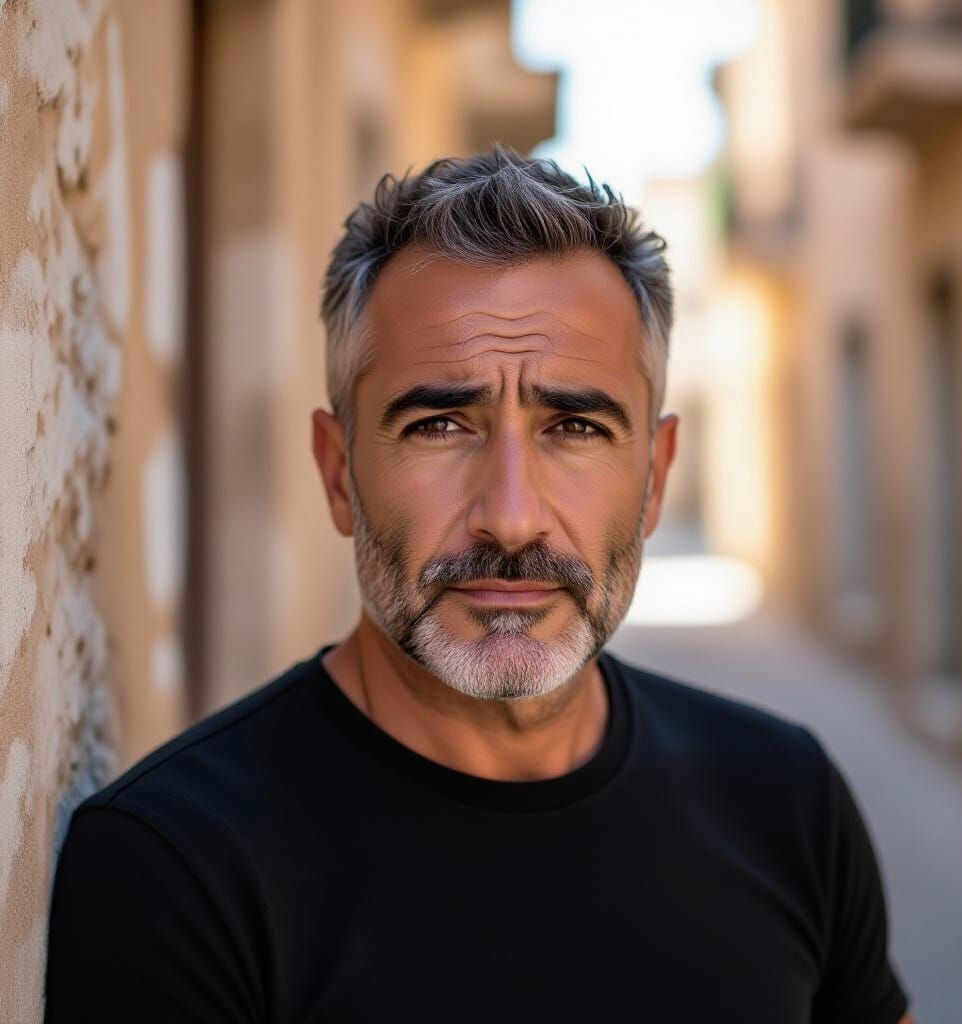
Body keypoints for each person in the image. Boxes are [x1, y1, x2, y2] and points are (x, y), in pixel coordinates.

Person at [44, 148, 913, 1023]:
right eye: (440, 424)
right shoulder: (176, 869)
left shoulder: (787, 800)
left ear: (655, 479)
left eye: (574, 425)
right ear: (340, 473)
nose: (511, 517)